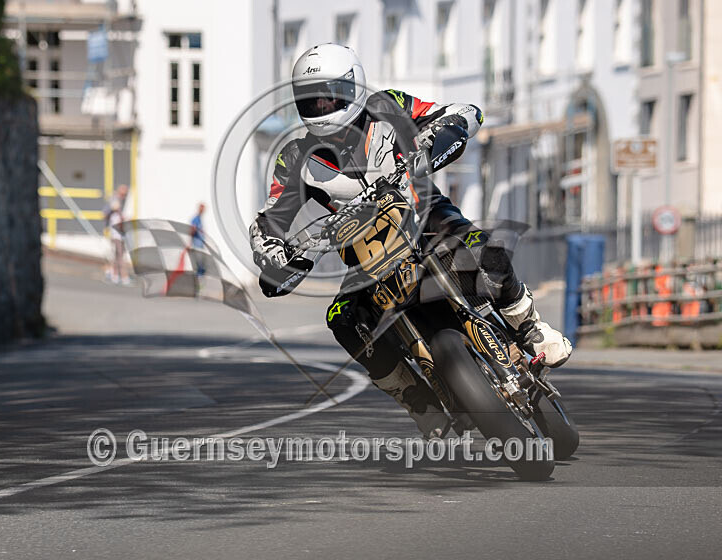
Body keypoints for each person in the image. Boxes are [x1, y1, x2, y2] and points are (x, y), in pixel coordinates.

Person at [249, 44, 572, 439]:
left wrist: (435, 139)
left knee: (486, 249)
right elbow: (271, 218)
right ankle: (418, 402)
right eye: (309, 98)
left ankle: (529, 326)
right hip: (366, 252)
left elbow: (461, 113)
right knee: (342, 318)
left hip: (426, 216)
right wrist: (275, 254)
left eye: (327, 95)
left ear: (353, 87)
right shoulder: (296, 156)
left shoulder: (389, 107)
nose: (319, 105)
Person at [104, 184, 130, 285]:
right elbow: (105, 214)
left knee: (117, 255)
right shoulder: (114, 202)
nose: (124, 196)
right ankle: (124, 276)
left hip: (121, 233)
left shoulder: (121, 204)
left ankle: (114, 274)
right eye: (123, 194)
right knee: (120, 255)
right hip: (115, 233)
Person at [188, 203, 208, 294]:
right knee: (198, 266)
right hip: (196, 246)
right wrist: (189, 243)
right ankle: (196, 286)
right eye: (202, 209)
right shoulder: (195, 219)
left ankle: (198, 285)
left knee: (201, 266)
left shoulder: (199, 219)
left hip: (200, 246)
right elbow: (192, 230)